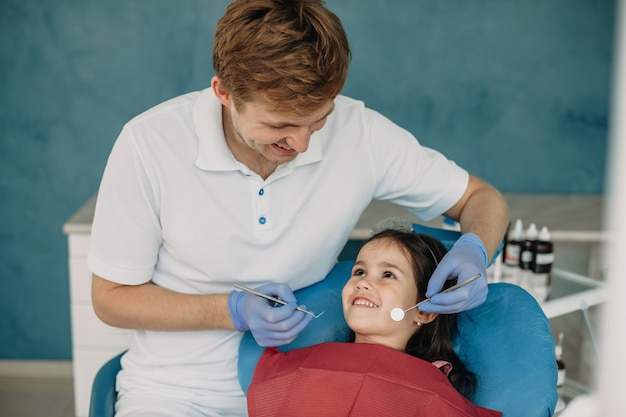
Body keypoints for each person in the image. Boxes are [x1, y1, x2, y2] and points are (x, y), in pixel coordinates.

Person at [87, 0, 509, 415]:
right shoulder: (149, 145)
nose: (302, 144)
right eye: (279, 125)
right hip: (177, 395)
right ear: (224, 93)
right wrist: (230, 310)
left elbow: (480, 198)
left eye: (318, 119)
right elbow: (110, 299)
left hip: (310, 392)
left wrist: (475, 250)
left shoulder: (360, 133)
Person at [246, 228, 501, 416]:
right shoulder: (294, 366)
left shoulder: (434, 397)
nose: (363, 282)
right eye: (359, 271)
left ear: (425, 311)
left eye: (388, 274)